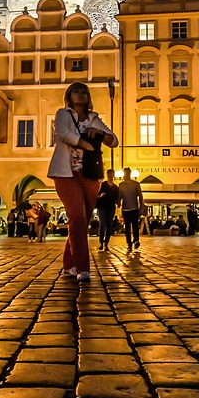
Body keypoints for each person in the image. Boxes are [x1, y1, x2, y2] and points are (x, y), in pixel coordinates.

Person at [49, 82, 118, 282]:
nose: (80, 94)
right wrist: (85, 144)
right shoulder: (63, 114)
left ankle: (69, 264)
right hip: (66, 174)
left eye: (84, 92)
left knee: (83, 220)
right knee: (77, 217)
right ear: (69, 97)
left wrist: (102, 135)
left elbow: (114, 141)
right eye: (76, 91)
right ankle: (83, 268)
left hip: (90, 174)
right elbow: (63, 134)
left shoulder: (94, 118)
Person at [118, 167, 144, 252]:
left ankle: (136, 240)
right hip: (125, 209)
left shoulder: (135, 184)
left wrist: (141, 207)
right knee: (128, 228)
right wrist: (118, 202)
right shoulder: (121, 185)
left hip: (134, 208)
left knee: (134, 226)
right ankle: (129, 243)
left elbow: (140, 196)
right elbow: (120, 196)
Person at [96, 169, 119, 251]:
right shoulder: (103, 184)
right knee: (103, 224)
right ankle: (101, 242)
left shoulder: (115, 187)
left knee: (109, 225)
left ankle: (106, 243)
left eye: (112, 174)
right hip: (102, 206)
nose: (111, 176)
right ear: (107, 175)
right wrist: (100, 196)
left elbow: (117, 198)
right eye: (110, 174)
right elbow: (97, 194)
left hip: (111, 207)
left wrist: (119, 203)